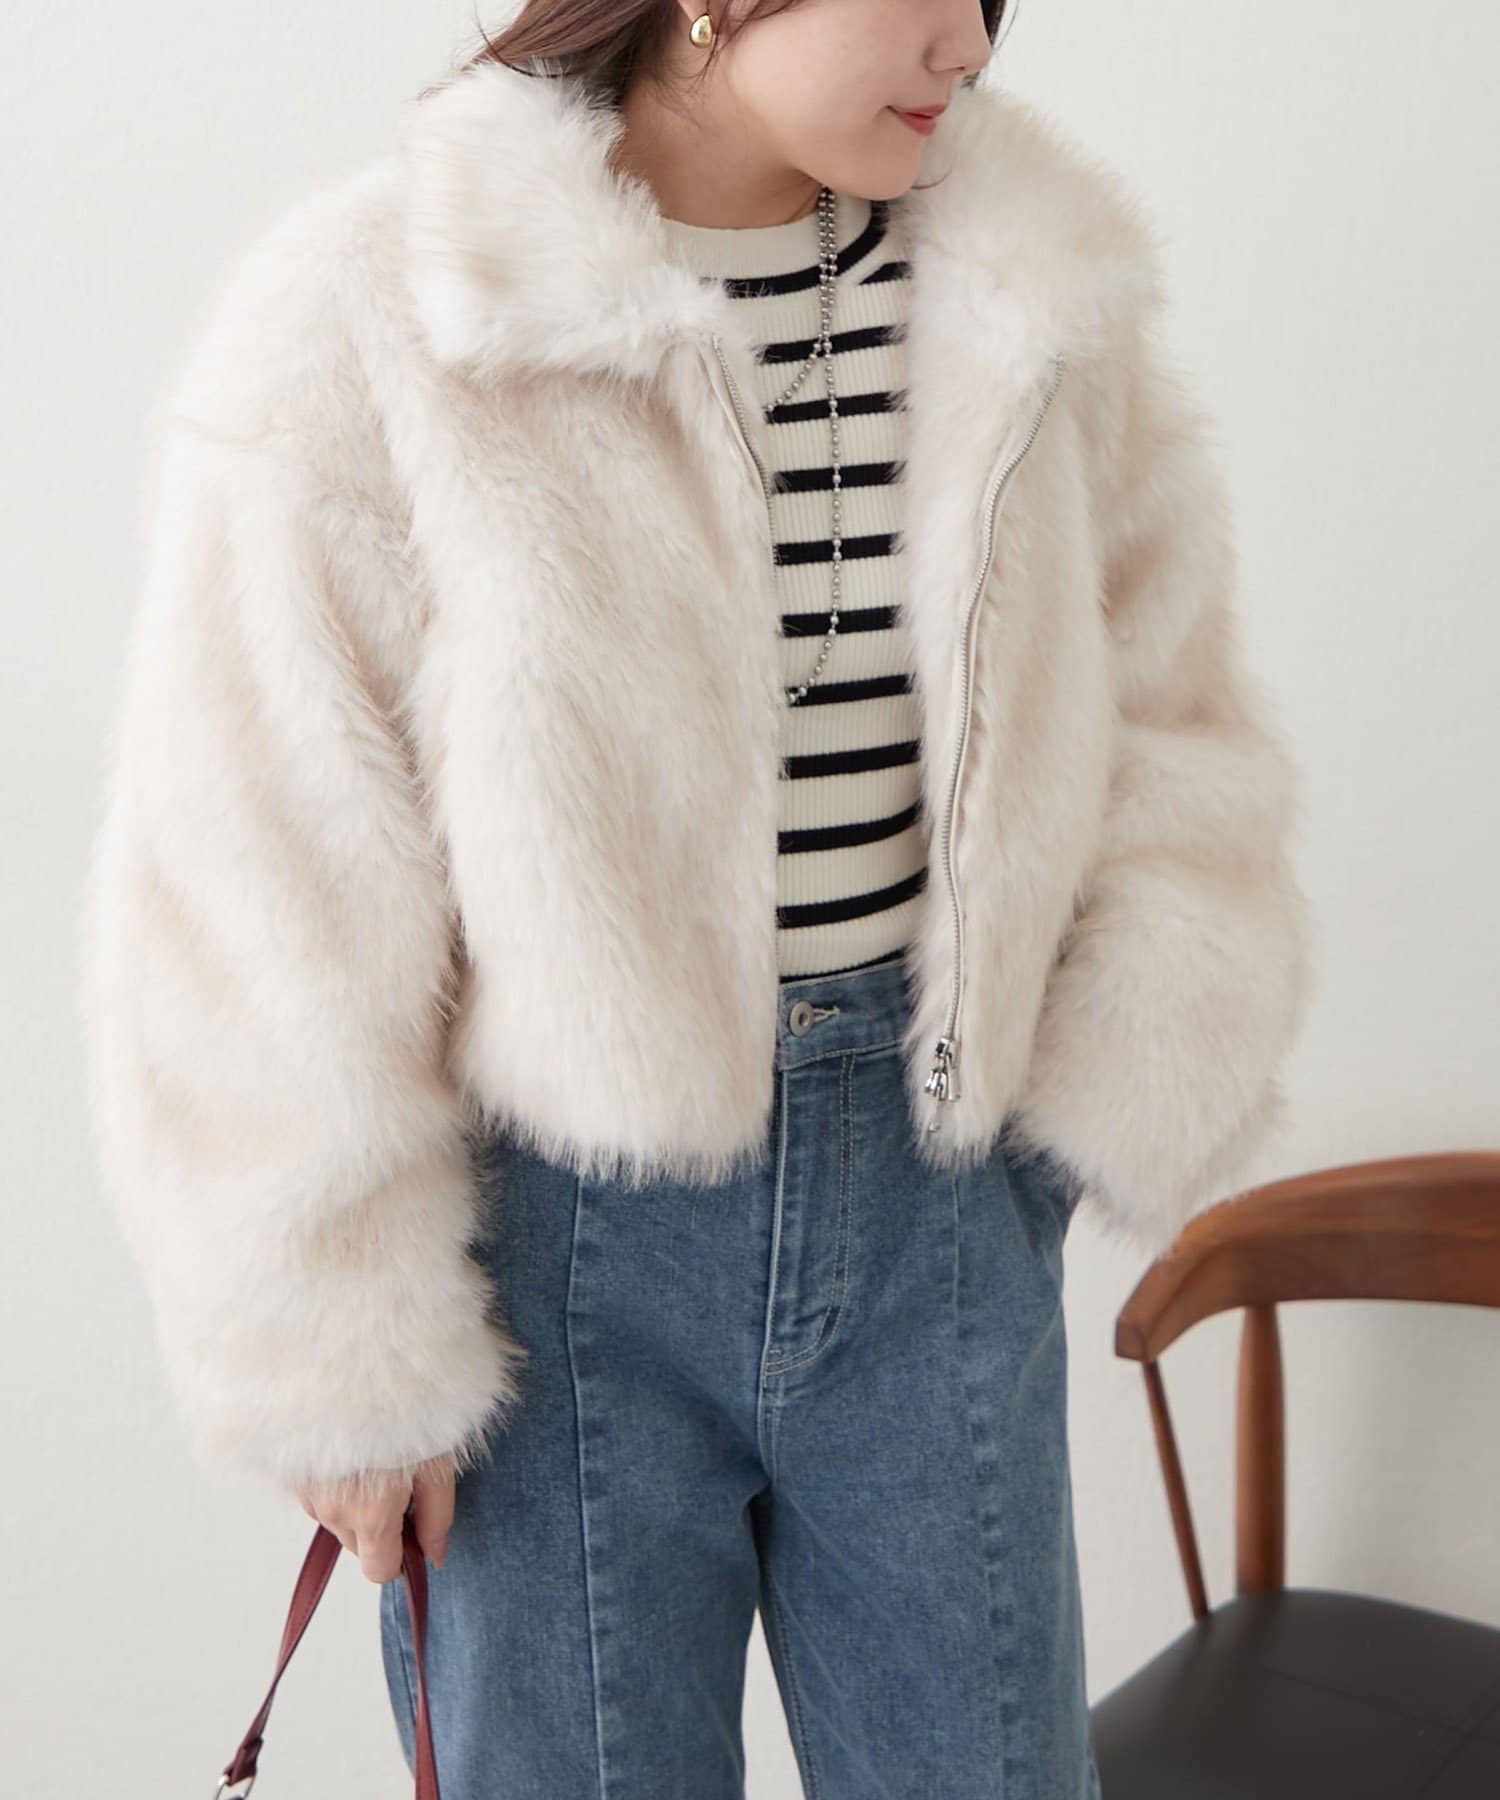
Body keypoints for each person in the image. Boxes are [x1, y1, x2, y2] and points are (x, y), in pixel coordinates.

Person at [77, 0, 1316, 1793]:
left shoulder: (1022, 290)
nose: (970, 43)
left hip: (935, 1203)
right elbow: (255, 871)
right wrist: (340, 1349)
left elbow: (1172, 713)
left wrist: (1077, 1113)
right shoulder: (384, 307)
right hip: (550, 1267)